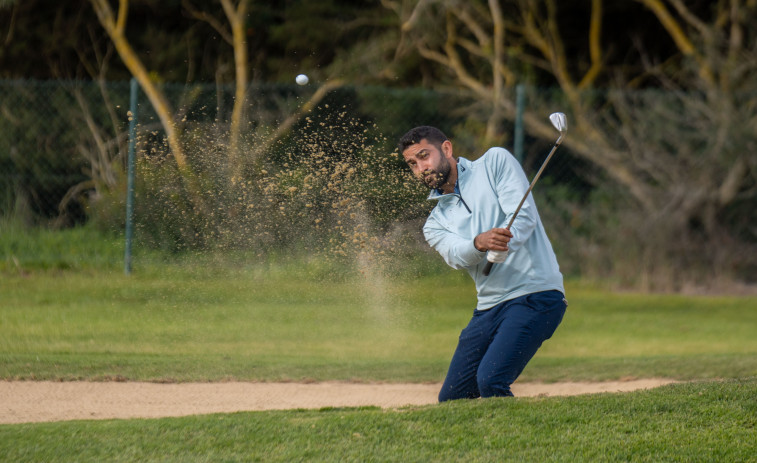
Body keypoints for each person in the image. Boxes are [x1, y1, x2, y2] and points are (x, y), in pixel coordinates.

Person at [398, 126, 567, 402]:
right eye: (412, 164)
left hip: (536, 294)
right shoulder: (435, 222)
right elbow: (455, 256)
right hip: (488, 307)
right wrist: (479, 243)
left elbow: (522, 217)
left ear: (447, 149)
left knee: (491, 380)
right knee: (452, 397)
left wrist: (503, 245)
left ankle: (522, 442)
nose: (420, 168)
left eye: (424, 156)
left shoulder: (494, 162)